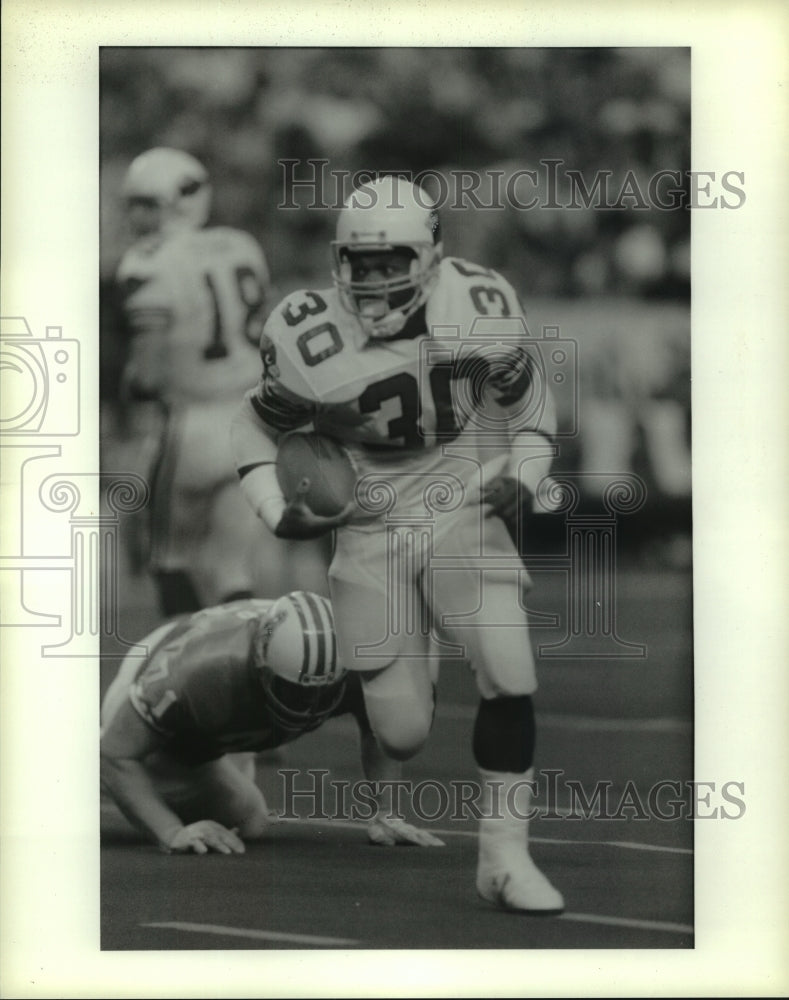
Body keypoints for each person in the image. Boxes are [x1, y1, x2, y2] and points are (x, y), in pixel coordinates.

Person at [231, 175, 565, 913]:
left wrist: (527, 471)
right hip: (367, 518)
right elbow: (253, 424)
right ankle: (412, 643)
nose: (375, 278)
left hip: (458, 493)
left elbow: (530, 400)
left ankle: (504, 858)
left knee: (509, 669)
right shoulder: (305, 334)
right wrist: (272, 508)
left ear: (433, 255)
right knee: (403, 733)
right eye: (361, 261)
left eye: (392, 260)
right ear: (337, 261)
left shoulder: (478, 305)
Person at [113, 146, 329, 615]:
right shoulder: (240, 245)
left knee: (168, 559)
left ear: (177, 201)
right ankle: (243, 674)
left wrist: (130, 384)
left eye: (147, 203)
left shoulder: (146, 262)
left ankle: (187, 676)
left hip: (188, 426)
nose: (136, 215)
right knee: (235, 573)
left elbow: (147, 372)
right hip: (252, 426)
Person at [100, 591, 444, 854]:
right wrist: (172, 832)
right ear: (261, 664)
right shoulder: (202, 672)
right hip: (155, 686)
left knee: (245, 819)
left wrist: (386, 812)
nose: (309, 705)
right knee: (244, 816)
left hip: (225, 724)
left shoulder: (353, 662)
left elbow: (377, 722)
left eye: (323, 691)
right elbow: (115, 752)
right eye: (295, 692)